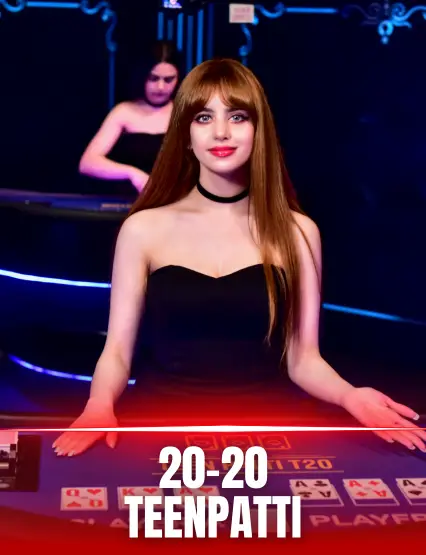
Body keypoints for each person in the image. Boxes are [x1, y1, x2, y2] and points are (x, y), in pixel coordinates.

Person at [54, 58, 426, 456]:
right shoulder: (142, 229)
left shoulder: (298, 232)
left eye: (237, 116)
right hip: (159, 426)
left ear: (258, 130)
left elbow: (304, 359)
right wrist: (99, 405)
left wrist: (350, 395)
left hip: (268, 431)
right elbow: (116, 352)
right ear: (185, 135)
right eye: (203, 117)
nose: (221, 132)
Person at [79, 40, 181, 194]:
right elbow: (88, 163)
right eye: (153, 78)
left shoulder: (187, 113)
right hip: (126, 200)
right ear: (142, 76)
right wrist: (132, 173)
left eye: (168, 80)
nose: (161, 87)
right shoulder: (124, 112)